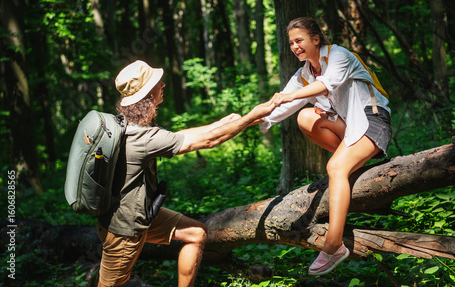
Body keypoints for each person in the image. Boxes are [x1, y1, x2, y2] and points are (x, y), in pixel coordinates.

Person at [96, 60, 275, 287]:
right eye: (156, 83)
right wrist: (250, 117)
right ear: (147, 94)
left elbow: (178, 136)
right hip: (123, 228)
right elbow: (208, 141)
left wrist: (224, 123)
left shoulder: (127, 126)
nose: (163, 84)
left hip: (138, 214)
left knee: (196, 233)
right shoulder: (141, 138)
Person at [259, 17, 392, 276]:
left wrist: (290, 95)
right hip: (349, 126)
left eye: (299, 41)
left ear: (315, 40)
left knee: (335, 169)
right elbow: (282, 106)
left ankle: (334, 245)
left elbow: (324, 85)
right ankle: (348, 160)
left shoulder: (339, 56)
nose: (295, 47)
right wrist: (248, 121)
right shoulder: (304, 73)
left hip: (372, 120)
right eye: (291, 43)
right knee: (306, 117)